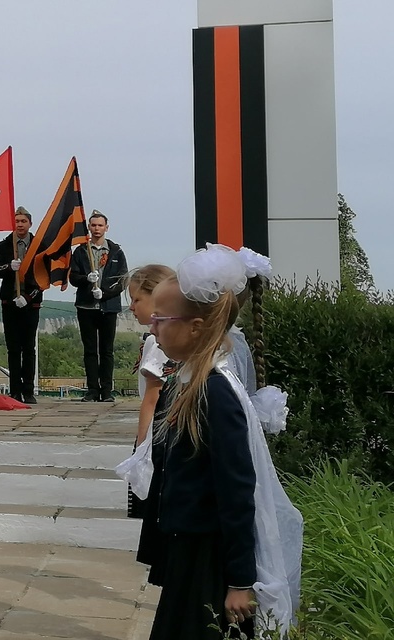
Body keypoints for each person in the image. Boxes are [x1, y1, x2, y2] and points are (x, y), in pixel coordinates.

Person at [146, 249, 301, 639]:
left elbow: (237, 489)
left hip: (211, 562)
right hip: (188, 552)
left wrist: (240, 580)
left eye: (160, 319)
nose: (152, 329)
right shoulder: (186, 383)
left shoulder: (215, 393)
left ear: (196, 327)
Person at [124, 264, 177, 582]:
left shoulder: (158, 342)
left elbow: (151, 399)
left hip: (159, 435)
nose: (131, 307)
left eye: (136, 300)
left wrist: (141, 448)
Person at [69, 210, 130, 401]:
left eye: (100, 225)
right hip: (86, 306)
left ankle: (106, 391)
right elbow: (73, 277)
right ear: (89, 227)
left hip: (108, 307)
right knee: (89, 350)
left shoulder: (116, 252)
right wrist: (86, 280)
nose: (97, 229)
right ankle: (92, 390)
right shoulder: (81, 250)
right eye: (93, 225)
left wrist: (105, 293)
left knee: (106, 350)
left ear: (106, 227)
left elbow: (123, 280)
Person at [0, 207, 42, 403]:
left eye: (23, 221)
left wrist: (29, 298)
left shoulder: (39, 245)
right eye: (17, 221)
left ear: (30, 223)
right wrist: (8, 267)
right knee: (13, 348)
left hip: (31, 303)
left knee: (29, 348)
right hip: (9, 302)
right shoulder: (5, 244)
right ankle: (15, 390)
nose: (20, 224)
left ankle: (28, 390)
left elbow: (43, 276)